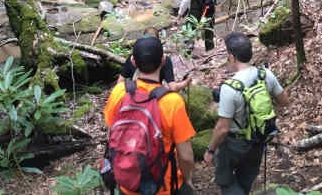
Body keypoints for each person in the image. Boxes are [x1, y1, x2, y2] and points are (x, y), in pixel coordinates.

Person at [104, 35, 197, 195]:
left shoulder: (119, 92)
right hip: (162, 185)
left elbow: (112, 132)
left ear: (133, 62)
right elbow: (186, 156)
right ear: (163, 61)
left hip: (126, 181)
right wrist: (188, 180)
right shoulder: (172, 102)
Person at [203, 32, 289, 195]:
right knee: (246, 177)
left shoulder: (230, 87)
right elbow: (284, 101)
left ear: (232, 57)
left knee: (226, 181)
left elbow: (222, 128)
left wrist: (210, 150)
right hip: (258, 139)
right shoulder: (265, 75)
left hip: (234, 144)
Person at [118, 27, 191, 92]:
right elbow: (173, 87)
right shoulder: (165, 59)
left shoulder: (134, 57)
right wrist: (186, 82)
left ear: (133, 61)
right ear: (163, 60)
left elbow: (120, 83)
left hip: (133, 92)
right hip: (155, 95)